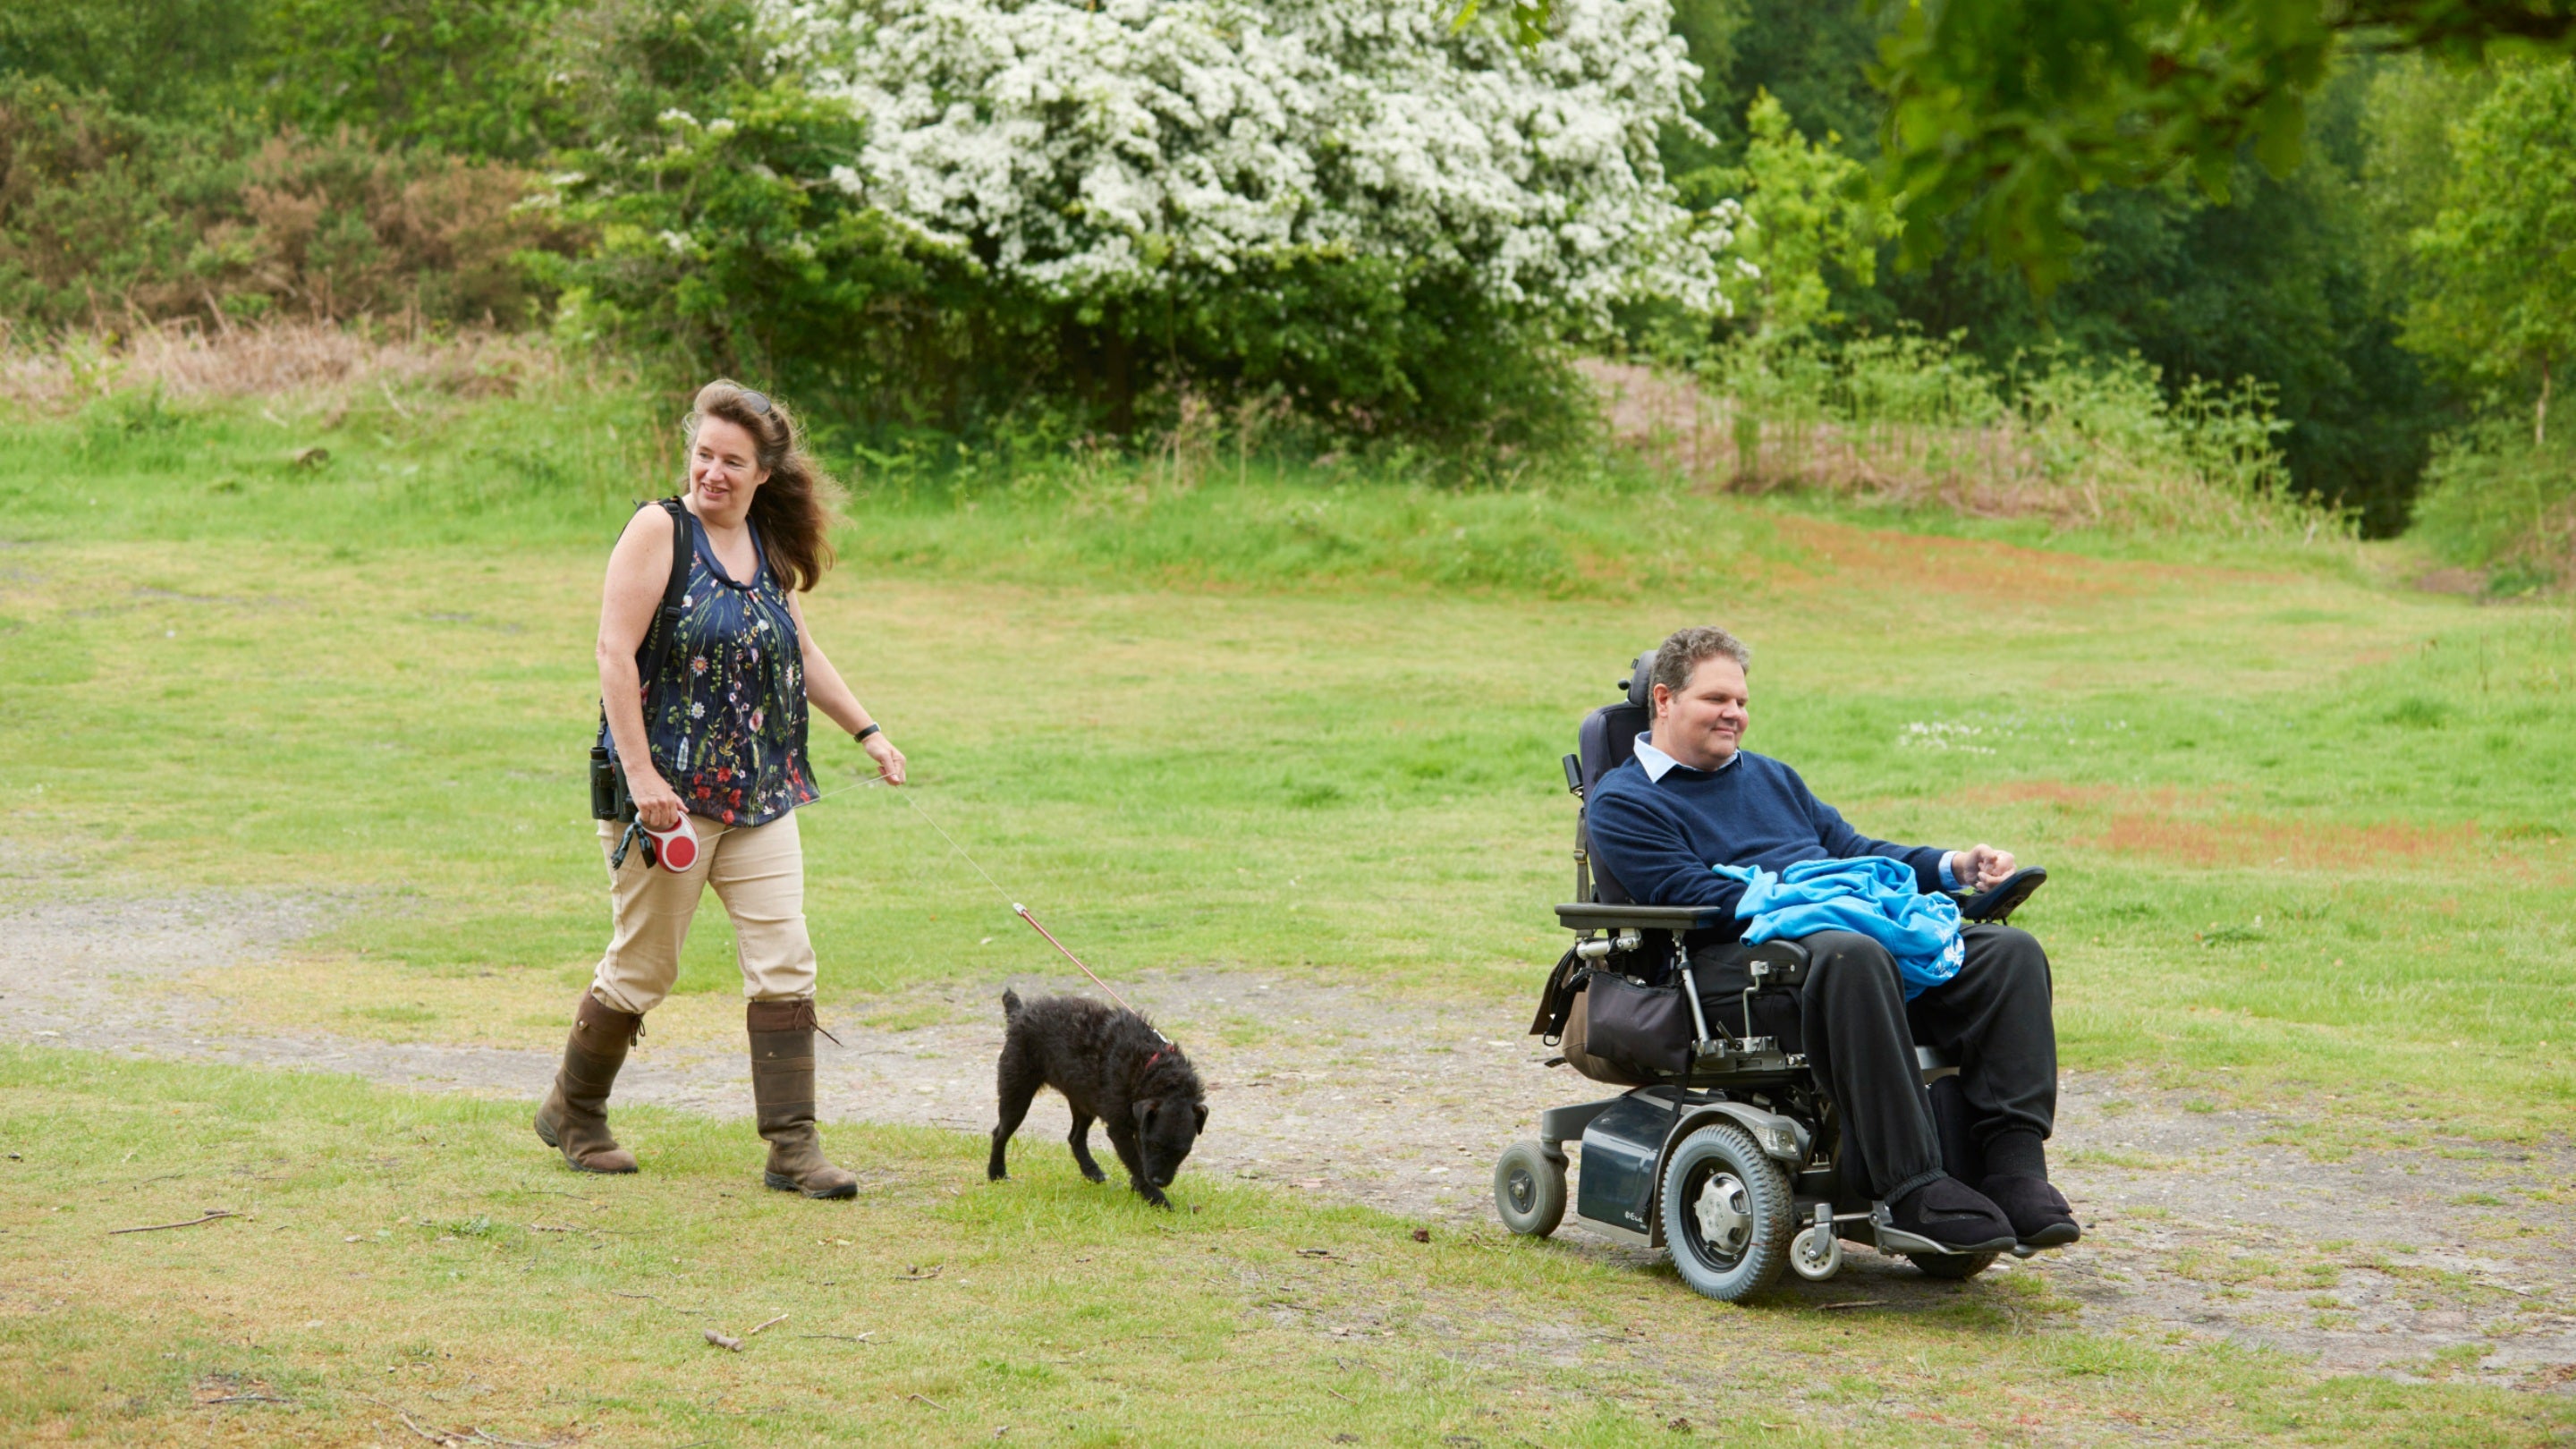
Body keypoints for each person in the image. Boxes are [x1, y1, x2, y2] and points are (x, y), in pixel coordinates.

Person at [1583, 625, 2079, 1253]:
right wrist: (1815, 904)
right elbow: (1692, 898)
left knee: (2007, 954)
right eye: (1716, 700)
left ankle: (2014, 1172)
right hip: (1723, 967)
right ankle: (1912, 1188)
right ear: (1663, 700)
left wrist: (1952, 867)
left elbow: (1852, 851)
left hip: (1833, 943)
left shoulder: (1770, 778)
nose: (1734, 713)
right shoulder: (1625, 801)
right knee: (1852, 952)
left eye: (1741, 701)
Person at [535, 379, 906, 1199]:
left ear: (763, 472)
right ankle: (575, 1111)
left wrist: (868, 731)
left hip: (760, 795)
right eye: (703, 455)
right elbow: (612, 654)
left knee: (786, 960)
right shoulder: (657, 531)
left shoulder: (766, 549)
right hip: (665, 802)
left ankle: (793, 1149)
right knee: (644, 970)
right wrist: (641, 779)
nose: (712, 473)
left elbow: (800, 652)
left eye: (731, 462)